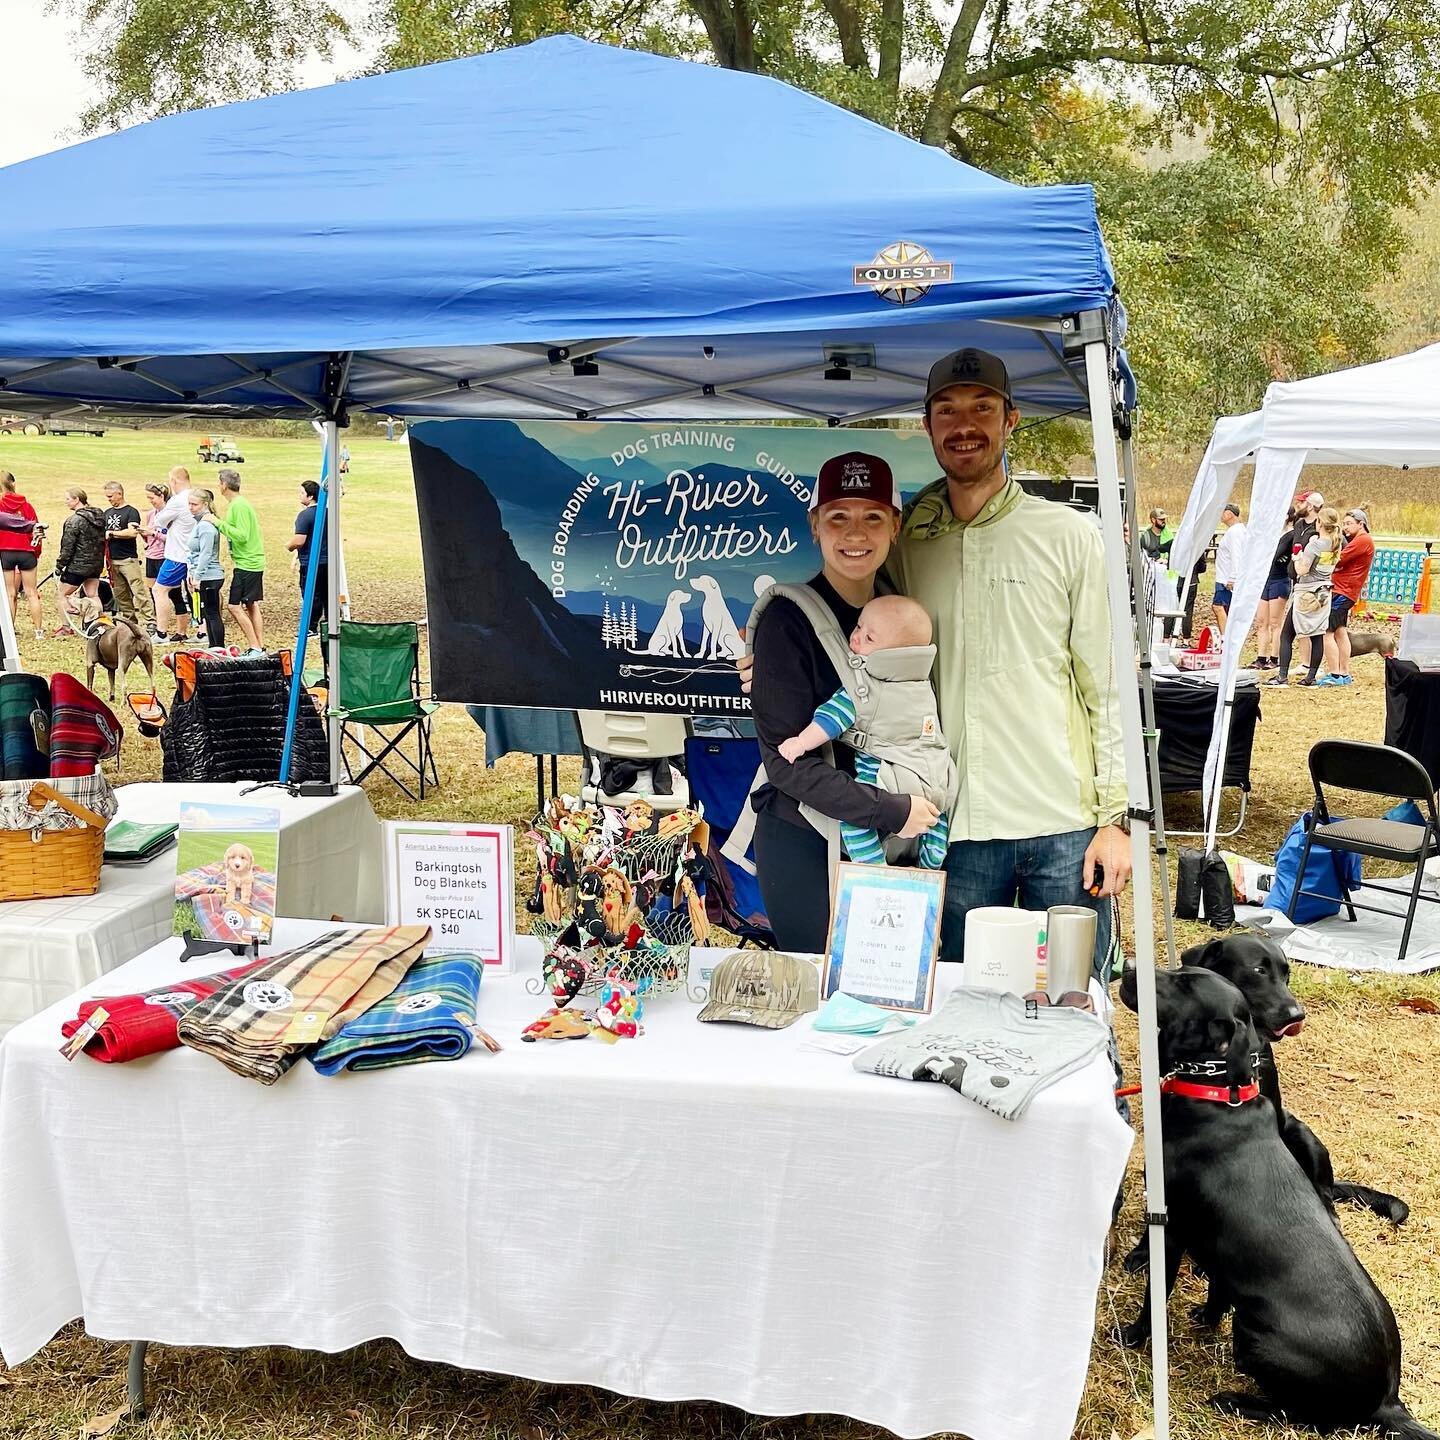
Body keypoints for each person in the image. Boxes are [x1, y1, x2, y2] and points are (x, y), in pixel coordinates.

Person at [885, 348, 1130, 966]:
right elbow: (848, 632)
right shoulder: (905, 539)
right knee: (960, 1010)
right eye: (947, 410)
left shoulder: (1070, 535)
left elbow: (1106, 686)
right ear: (927, 425)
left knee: (1072, 1007)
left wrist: (1117, 820)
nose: (964, 424)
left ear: (1011, 419)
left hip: (1063, 825)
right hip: (953, 827)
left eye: (982, 408)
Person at [748, 454, 936, 950]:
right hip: (806, 836)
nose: (856, 534)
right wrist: (893, 811)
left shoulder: (904, 616)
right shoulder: (786, 623)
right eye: (839, 517)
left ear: (895, 526)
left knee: (886, 993)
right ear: (815, 525)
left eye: (873, 517)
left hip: (889, 835)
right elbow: (786, 763)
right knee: (816, 993)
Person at [777, 592, 953, 869]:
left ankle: (873, 868)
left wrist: (800, 742)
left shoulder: (865, 687)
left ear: (895, 656)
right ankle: (931, 859)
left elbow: (831, 718)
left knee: (854, 819)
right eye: (859, 627)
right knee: (936, 813)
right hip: (936, 775)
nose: (856, 637)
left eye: (870, 638)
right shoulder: (923, 684)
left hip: (886, 776)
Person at [1275, 504, 1342, 688]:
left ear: (1319, 523)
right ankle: (1311, 676)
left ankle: (1282, 676)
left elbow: (1302, 570)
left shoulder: (1315, 545)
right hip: (1324, 592)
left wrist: (1297, 558)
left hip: (1306, 592)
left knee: (1287, 634)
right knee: (1317, 634)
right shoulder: (1336, 544)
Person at [1318, 505, 1376, 687]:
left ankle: (1335, 673)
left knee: (1326, 632)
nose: (1345, 527)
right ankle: (1344, 672)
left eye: (1350, 524)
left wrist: (1320, 558)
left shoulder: (1363, 540)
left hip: (1343, 591)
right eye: (1344, 524)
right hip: (1346, 590)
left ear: (1361, 524)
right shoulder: (1360, 540)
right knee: (1340, 631)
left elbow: (1340, 559)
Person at [1272, 491, 1325, 686]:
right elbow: (1287, 545)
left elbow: (1310, 560)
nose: (1297, 506)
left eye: (1300, 502)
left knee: (1297, 632)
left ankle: (1290, 676)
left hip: (1311, 587)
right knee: (1303, 632)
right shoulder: (1298, 525)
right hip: (1299, 585)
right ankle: (1299, 674)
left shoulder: (1320, 531)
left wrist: (1298, 562)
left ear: (1310, 506)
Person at [214, 469, 265, 652]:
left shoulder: (238, 505)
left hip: (247, 563)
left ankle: (254, 646)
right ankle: (259, 646)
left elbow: (242, 536)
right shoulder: (239, 504)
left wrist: (217, 523)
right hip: (251, 561)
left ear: (225, 485)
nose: (218, 486)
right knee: (251, 604)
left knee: (233, 606)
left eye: (219, 483)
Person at [150, 465, 198, 643]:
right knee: (194, 591)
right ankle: (200, 631)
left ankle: (161, 632)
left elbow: (159, 521)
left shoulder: (177, 500)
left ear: (173, 481)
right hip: (193, 554)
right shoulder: (197, 497)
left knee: (159, 590)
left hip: (178, 554)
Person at [101, 481, 155, 632]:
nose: (109, 499)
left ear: (120, 493)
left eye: (111, 496)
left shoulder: (131, 512)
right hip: (112, 560)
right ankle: (129, 621)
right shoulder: (107, 513)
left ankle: (150, 620)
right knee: (120, 594)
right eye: (107, 497)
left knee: (138, 591)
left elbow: (132, 532)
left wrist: (112, 533)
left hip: (128, 559)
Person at [54, 487, 107, 636]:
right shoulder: (99, 517)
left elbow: (67, 547)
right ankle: (98, 623)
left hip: (78, 567)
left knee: (62, 594)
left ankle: (66, 627)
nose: (66, 502)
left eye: (68, 499)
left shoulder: (73, 521)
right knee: (93, 594)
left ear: (77, 499)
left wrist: (59, 566)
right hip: (96, 565)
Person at [0, 471, 45, 642]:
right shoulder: (27, 506)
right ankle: (38, 631)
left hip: (5, 551)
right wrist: (36, 552)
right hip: (26, 552)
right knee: (32, 593)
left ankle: (9, 631)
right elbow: (36, 531)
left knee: (10, 594)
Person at [1254, 504, 1297, 670]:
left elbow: (1277, 555)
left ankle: (1275, 657)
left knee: (1275, 622)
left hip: (1280, 580)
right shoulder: (1271, 534)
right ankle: (1261, 657)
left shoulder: (1290, 535)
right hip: (1266, 579)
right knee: (1261, 621)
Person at [185, 488, 226, 649]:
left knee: (212, 613)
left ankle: (218, 647)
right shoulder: (200, 524)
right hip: (204, 574)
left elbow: (206, 553)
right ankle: (213, 646)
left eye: (194, 504)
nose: (191, 507)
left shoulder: (206, 527)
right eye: (189, 504)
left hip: (209, 575)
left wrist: (197, 576)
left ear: (205, 504)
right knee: (209, 614)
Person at [287, 479, 329, 634]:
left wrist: (289, 546)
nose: (299, 495)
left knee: (311, 594)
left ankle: (310, 627)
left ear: (311, 497)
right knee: (326, 595)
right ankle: (329, 625)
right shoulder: (327, 512)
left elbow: (299, 540)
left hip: (311, 561)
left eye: (302, 493)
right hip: (328, 561)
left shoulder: (305, 516)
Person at [139, 482, 171, 638]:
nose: (150, 501)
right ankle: (159, 618)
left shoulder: (169, 514)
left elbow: (171, 538)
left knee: (169, 591)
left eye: (152, 497)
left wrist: (153, 533)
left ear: (161, 496)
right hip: (151, 555)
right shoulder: (151, 514)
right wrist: (142, 532)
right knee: (153, 591)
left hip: (164, 556)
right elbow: (148, 538)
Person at [1211, 500, 1246, 635]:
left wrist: (1233, 578)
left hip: (1226, 578)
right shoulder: (1237, 530)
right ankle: (1228, 636)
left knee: (1218, 607)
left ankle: (1226, 637)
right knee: (1225, 608)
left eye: (1222, 512)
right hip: (1225, 576)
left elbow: (1237, 555)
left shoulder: (1235, 532)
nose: (1220, 515)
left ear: (1229, 514)